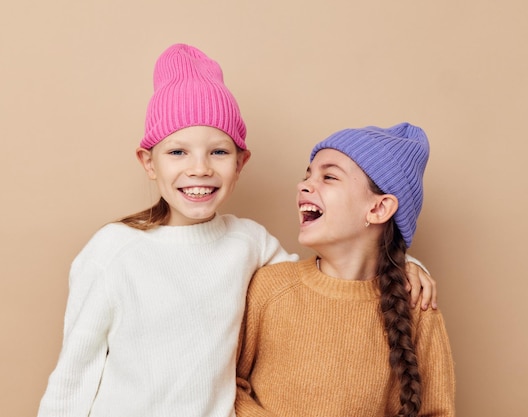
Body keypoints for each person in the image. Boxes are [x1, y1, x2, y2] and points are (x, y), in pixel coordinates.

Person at [37, 45, 436, 417]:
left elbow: (327, 276)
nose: (200, 168)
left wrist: (402, 263)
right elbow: (74, 375)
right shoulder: (114, 250)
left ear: (241, 162)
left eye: (219, 151)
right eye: (178, 151)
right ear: (149, 162)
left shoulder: (249, 243)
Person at [236, 123, 455, 416]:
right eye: (307, 175)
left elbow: (435, 411)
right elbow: (228, 387)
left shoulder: (417, 307)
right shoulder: (270, 287)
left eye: (329, 176)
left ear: (378, 209)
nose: (304, 185)